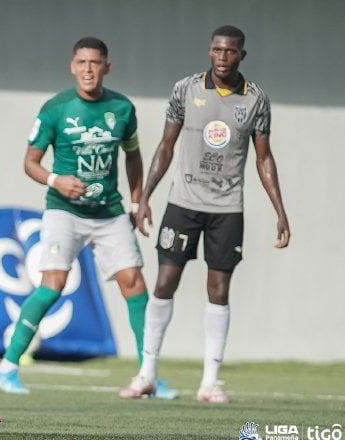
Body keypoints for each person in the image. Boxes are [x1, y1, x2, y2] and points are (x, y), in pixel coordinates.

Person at [0, 37, 176, 400]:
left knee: (135, 285)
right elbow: (30, 162)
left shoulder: (122, 108)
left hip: (109, 212)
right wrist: (57, 180)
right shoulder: (56, 109)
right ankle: (7, 366)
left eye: (95, 63)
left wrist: (139, 201)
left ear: (107, 67)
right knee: (53, 284)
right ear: (72, 66)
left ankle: (148, 376)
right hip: (65, 211)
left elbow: (133, 156)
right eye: (82, 63)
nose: (88, 69)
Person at [120, 25, 290, 403]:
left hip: (227, 209)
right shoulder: (186, 89)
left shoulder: (256, 99)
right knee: (165, 282)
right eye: (217, 50)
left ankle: (210, 383)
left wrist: (280, 210)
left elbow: (264, 158)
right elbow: (166, 146)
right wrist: (145, 196)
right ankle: (146, 374)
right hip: (182, 203)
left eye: (231, 51)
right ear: (209, 52)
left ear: (242, 56)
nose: (223, 57)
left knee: (219, 289)